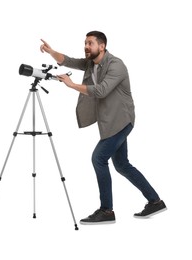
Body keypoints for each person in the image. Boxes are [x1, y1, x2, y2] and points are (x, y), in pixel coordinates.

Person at [40, 31, 167, 225]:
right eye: (85, 42)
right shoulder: (91, 63)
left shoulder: (116, 64)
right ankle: (155, 201)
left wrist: (72, 85)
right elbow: (68, 60)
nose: (86, 46)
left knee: (98, 158)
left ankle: (106, 210)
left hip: (122, 120)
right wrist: (51, 52)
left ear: (102, 46)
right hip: (109, 122)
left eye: (90, 43)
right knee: (122, 164)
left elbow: (101, 91)